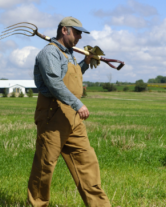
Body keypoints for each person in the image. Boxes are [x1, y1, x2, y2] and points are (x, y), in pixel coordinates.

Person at [28, 17, 112, 207]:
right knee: (45, 166)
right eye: (77, 32)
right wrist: (78, 104)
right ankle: (37, 204)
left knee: (87, 163)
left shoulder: (69, 54)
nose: (80, 37)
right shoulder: (49, 53)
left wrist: (86, 61)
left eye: (81, 33)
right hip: (53, 115)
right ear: (64, 30)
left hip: (72, 119)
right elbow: (55, 84)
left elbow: (73, 77)